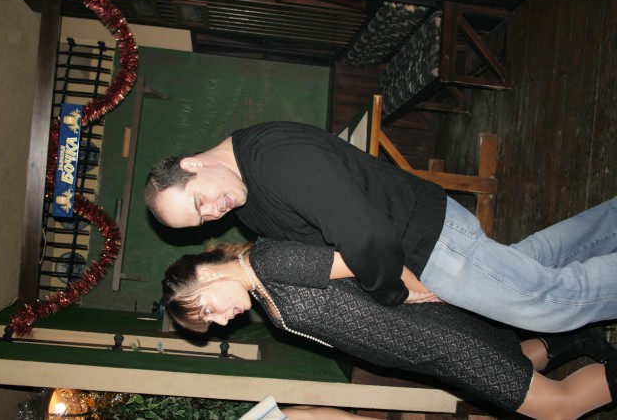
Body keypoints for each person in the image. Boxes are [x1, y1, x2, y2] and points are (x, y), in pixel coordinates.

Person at [145, 121, 617, 332]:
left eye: (200, 201)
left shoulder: (274, 159)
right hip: (421, 237)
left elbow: (365, 236)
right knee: (536, 264)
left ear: (193, 164)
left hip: (425, 242)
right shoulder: (247, 201)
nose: (214, 212)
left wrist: (395, 292)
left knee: (548, 305)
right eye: (203, 219)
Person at [163, 238, 617, 420]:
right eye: (210, 324)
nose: (220, 322)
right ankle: (576, 339)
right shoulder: (263, 290)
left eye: (207, 311)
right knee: (513, 361)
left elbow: (364, 258)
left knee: (558, 407)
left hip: (436, 336)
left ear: (207, 274)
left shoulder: (270, 262)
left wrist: (422, 291)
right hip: (424, 348)